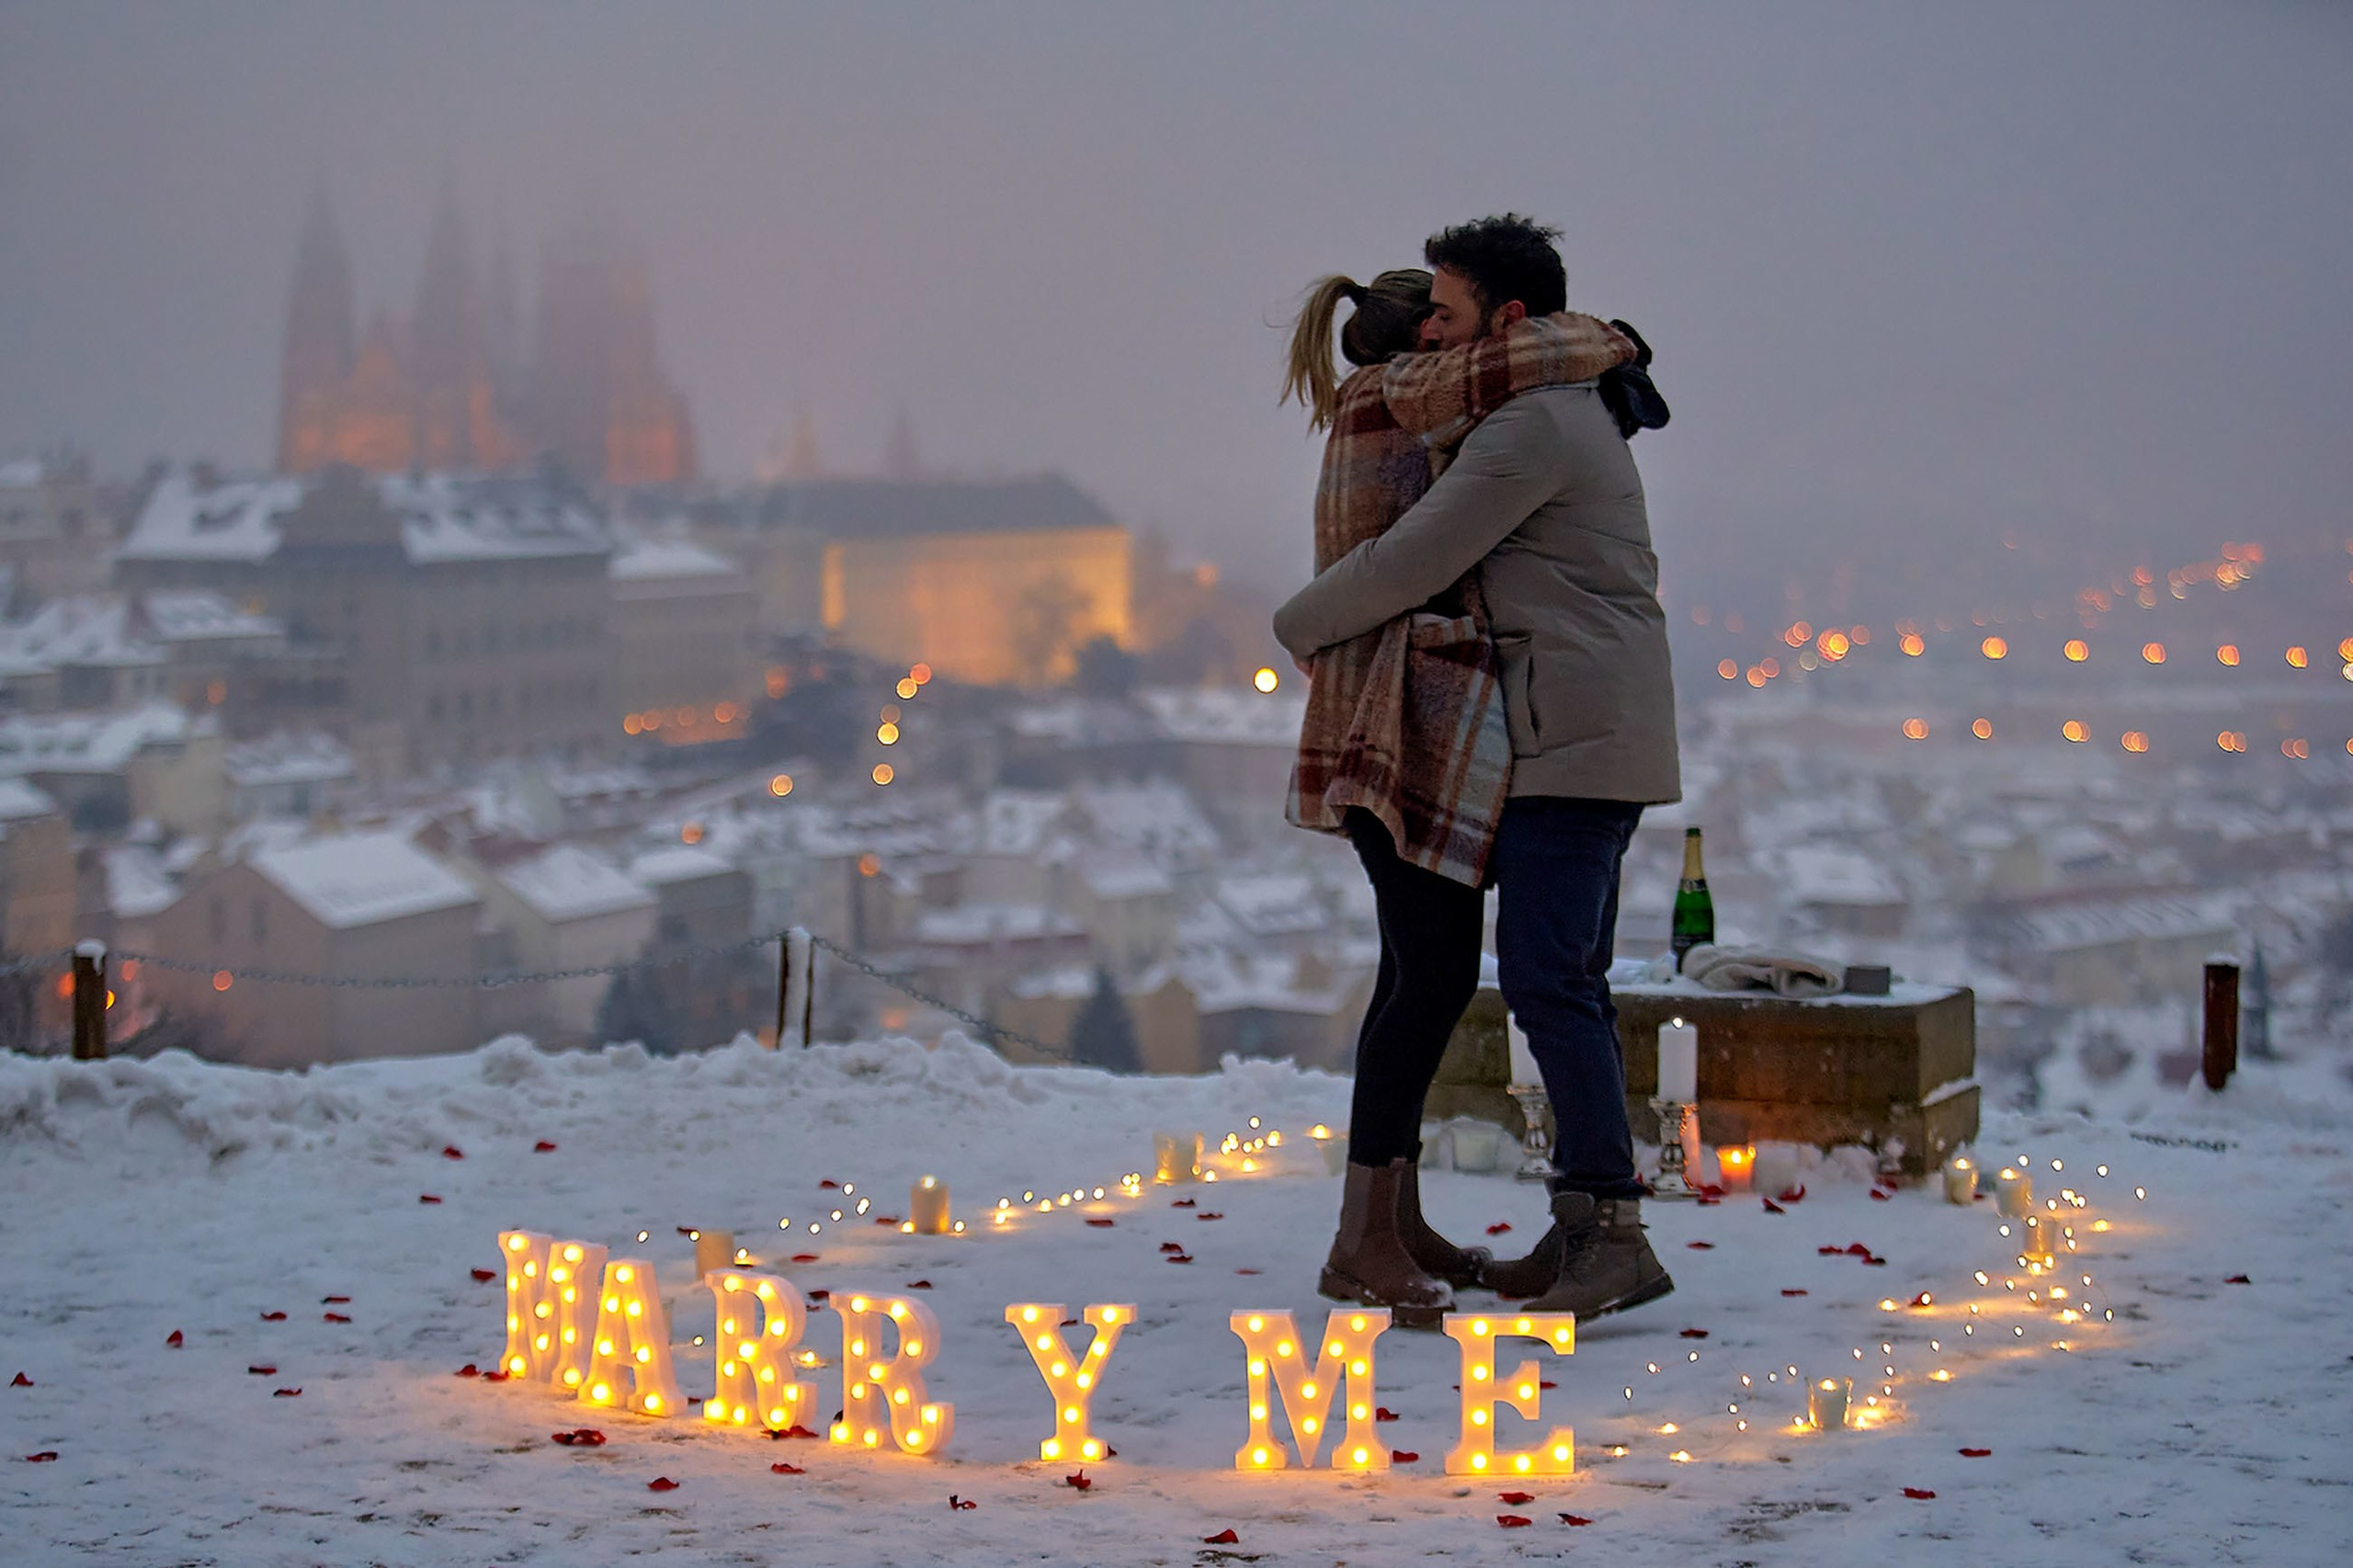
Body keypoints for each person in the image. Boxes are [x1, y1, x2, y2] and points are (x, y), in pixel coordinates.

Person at [1274, 215, 1681, 1322]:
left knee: (1546, 978)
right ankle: (1563, 1227)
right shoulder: (1540, 401)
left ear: (1503, 321)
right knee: (1530, 975)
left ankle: (1603, 1227)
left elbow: (1414, 557)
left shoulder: (1530, 425)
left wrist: (1298, 622)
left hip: (1568, 736)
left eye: (1452, 314)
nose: (1438, 337)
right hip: (1561, 731)